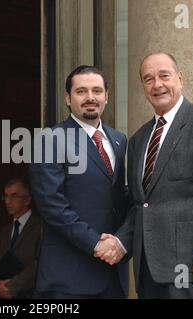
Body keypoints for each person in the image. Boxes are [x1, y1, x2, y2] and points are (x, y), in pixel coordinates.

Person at [98, 52, 193, 299]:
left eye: (164, 76)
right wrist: (120, 242)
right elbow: (141, 205)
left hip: (191, 263)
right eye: (148, 79)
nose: (157, 84)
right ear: (143, 86)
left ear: (180, 78)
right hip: (148, 267)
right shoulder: (139, 139)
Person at [29, 65, 129, 299]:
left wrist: (122, 243)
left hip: (114, 275)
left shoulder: (119, 140)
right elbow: (52, 204)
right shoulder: (50, 139)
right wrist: (96, 243)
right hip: (69, 280)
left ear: (106, 96)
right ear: (67, 98)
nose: (90, 98)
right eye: (81, 91)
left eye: (96, 90)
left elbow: (124, 199)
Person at [0, 178, 41, 299]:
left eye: (14, 196)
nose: (8, 201)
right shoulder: (5, 231)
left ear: (27, 200)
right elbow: (2, 263)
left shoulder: (40, 227)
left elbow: (39, 264)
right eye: (6, 196)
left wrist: (12, 287)